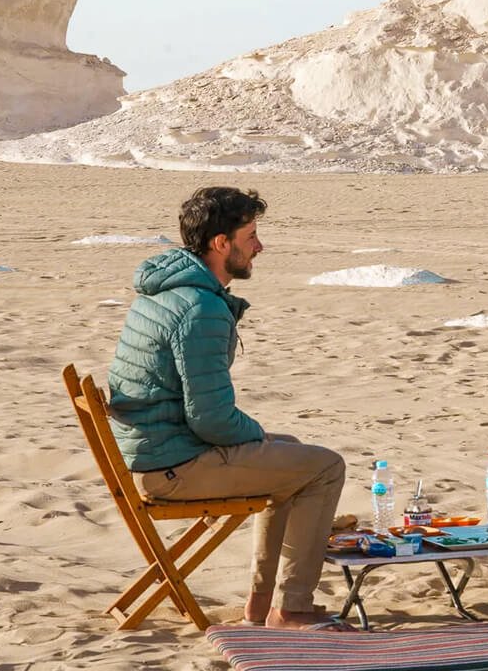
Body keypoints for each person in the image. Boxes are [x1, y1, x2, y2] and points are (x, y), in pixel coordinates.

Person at [107, 186, 352, 631]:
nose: (259, 246)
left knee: (293, 454)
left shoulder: (167, 291)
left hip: (150, 453)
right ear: (222, 243)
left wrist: (261, 438)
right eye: (251, 235)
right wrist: (256, 434)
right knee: (325, 466)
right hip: (172, 467)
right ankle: (292, 608)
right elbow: (213, 419)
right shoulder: (200, 308)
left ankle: (262, 607)